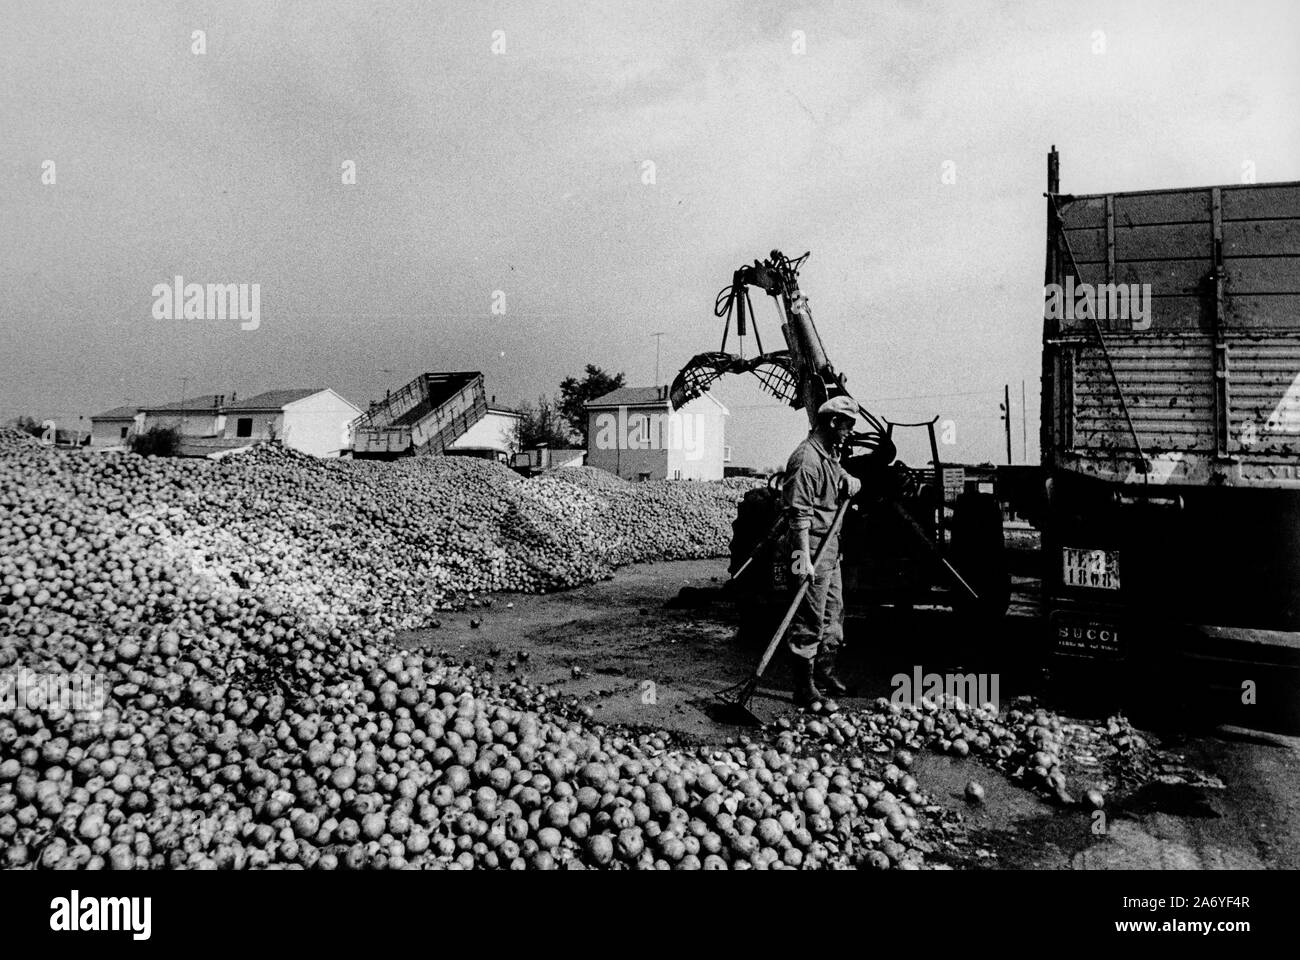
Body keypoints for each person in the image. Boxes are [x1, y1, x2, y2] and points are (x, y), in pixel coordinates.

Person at [782, 395, 862, 707]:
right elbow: (798, 516)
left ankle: (825, 673)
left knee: (833, 616)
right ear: (831, 423)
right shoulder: (805, 460)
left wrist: (849, 479)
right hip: (811, 549)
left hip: (830, 548)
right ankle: (804, 687)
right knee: (809, 619)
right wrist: (803, 561)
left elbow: (836, 474)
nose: (849, 432)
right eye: (847, 426)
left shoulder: (828, 454)